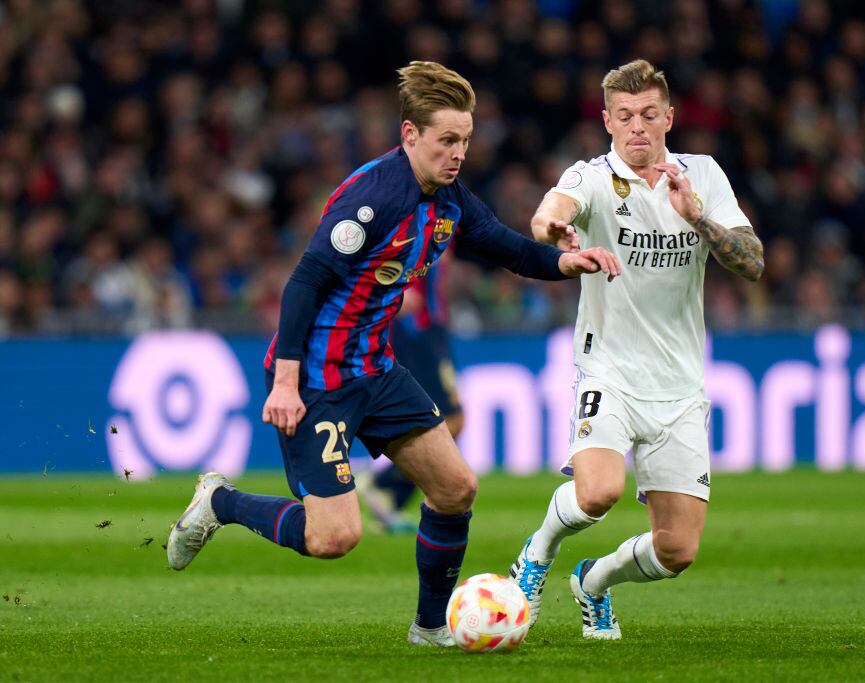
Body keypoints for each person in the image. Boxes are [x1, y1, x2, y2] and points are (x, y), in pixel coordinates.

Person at [166, 61, 620, 647]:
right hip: (318, 378)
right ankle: (219, 502)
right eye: (446, 140)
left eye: (465, 140)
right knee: (334, 538)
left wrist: (566, 263)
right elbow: (304, 283)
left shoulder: (450, 198)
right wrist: (285, 382)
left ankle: (430, 629)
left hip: (376, 369)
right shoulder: (374, 198)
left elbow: (508, 247)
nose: (458, 153)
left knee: (456, 489)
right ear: (411, 135)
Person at [508, 59, 763, 640]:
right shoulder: (592, 176)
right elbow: (548, 213)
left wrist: (698, 218)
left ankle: (593, 583)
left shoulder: (701, 175)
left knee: (678, 550)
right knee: (598, 492)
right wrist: (559, 234)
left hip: (679, 388)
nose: (638, 128)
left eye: (649, 115)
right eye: (624, 117)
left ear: (669, 117)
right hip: (610, 372)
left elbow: (752, 263)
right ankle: (537, 553)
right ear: (607, 121)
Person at [360, 256, 463, 533]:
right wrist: (399, 295)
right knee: (449, 419)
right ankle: (384, 485)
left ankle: (390, 495)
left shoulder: (449, 218)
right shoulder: (420, 220)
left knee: (451, 420)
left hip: (432, 331)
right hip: (417, 333)